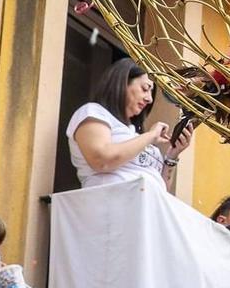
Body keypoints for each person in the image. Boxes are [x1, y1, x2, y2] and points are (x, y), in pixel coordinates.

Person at [65, 58, 191, 189]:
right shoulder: (92, 112)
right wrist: (150, 136)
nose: (150, 99)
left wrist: (172, 155)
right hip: (111, 203)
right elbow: (102, 161)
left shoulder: (134, 133)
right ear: (122, 82)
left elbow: (162, 188)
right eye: (145, 88)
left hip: (149, 205)